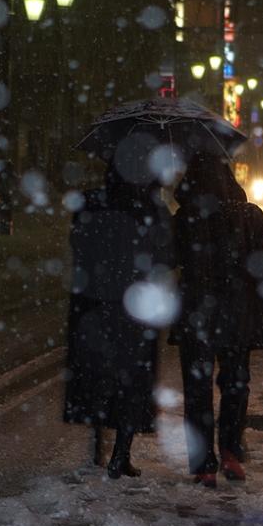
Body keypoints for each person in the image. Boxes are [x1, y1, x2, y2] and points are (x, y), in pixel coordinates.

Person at [170, 155, 263, 488]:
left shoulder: (184, 218)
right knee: (235, 384)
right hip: (238, 314)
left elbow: (167, 260)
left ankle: (204, 463)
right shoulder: (249, 215)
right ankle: (231, 451)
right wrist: (256, 306)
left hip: (196, 316)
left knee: (197, 390)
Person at [63, 163, 175, 479]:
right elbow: (166, 256)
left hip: (94, 304)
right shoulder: (152, 208)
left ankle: (97, 443)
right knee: (131, 380)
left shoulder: (90, 202)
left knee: (98, 374)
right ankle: (120, 454)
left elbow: (78, 245)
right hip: (135, 307)